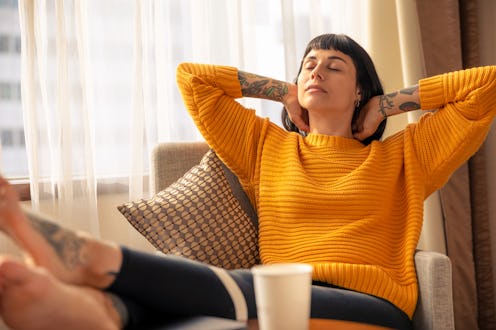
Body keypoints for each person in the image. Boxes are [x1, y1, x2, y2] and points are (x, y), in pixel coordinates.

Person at [0, 33, 494, 330]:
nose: (316, 71)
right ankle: (94, 310)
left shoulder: (406, 156)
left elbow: (485, 86)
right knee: (207, 315)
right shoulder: (265, 147)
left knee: (250, 295)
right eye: (309, 64)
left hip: (371, 305)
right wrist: (284, 92)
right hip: (271, 295)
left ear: (360, 87)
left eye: (334, 66)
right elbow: (192, 78)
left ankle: (93, 258)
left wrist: (386, 105)